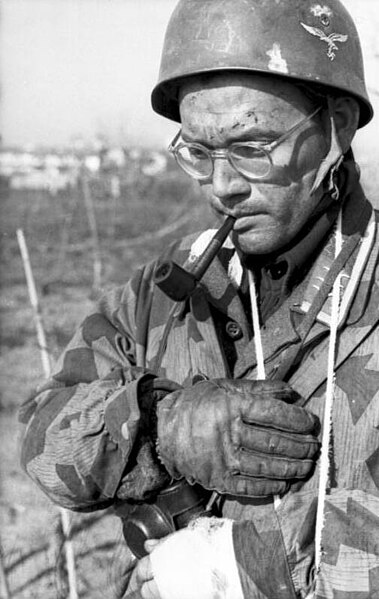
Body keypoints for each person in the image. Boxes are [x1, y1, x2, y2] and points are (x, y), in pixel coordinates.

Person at [20, 0, 379, 597]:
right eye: (199, 152)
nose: (223, 186)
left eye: (253, 147)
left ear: (336, 126)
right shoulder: (165, 291)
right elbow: (39, 434)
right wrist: (158, 427)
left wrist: (240, 564)